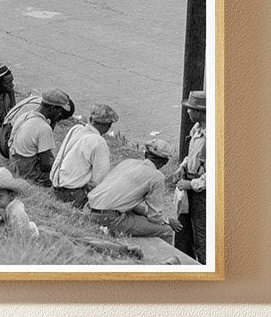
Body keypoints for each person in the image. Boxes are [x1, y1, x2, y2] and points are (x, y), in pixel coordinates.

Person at [86, 138, 181, 243]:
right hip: (109, 218)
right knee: (166, 231)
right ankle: (163, 259)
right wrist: (168, 221)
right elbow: (155, 217)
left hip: (89, 208)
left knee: (139, 218)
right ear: (165, 162)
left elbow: (129, 203)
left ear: (145, 154)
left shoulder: (128, 162)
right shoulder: (157, 177)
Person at [50, 103, 118, 207]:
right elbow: (100, 180)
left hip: (55, 187)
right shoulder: (99, 142)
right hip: (72, 193)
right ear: (108, 125)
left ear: (91, 119)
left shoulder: (76, 129)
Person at [8, 90, 74, 184]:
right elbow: (45, 165)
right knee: (65, 177)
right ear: (52, 108)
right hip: (28, 172)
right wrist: (61, 166)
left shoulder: (25, 115)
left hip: (14, 162)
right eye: (60, 113)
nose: (59, 118)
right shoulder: (44, 128)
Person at [173, 90, 207, 263]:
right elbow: (191, 155)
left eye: (191, 109)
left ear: (200, 112)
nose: (188, 112)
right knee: (186, 231)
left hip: (201, 192)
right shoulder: (196, 129)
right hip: (190, 184)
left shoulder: (212, 137)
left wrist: (191, 184)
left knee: (202, 235)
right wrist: (182, 167)